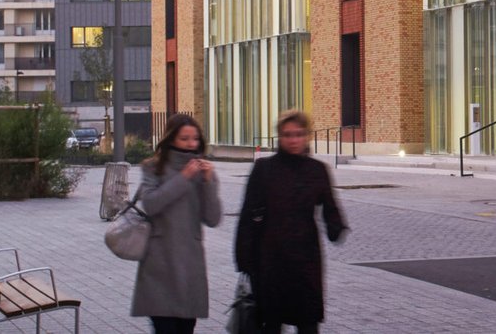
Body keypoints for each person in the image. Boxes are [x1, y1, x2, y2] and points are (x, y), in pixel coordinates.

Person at [236, 110, 346, 334]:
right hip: (270, 259)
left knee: (308, 322)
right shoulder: (264, 168)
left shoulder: (316, 170)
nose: (294, 140)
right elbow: (247, 215)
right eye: (287, 135)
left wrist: (336, 226)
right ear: (280, 137)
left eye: (299, 134)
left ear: (307, 136)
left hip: (305, 258)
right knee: (271, 322)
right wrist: (244, 259)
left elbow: (329, 205)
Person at [131, 113, 222, 334]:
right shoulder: (153, 168)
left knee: (186, 328)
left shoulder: (204, 172)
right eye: (185, 138)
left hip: (190, 264)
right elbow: (151, 204)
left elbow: (213, 219)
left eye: (195, 139)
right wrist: (183, 177)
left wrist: (208, 182)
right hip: (160, 264)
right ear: (171, 139)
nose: (191, 144)